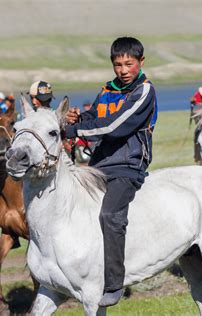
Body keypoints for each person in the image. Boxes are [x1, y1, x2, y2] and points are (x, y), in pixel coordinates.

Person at [65, 37, 157, 306]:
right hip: (100, 164)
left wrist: (72, 130)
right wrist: (79, 119)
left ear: (141, 62)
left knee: (109, 215)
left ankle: (114, 282)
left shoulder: (144, 91)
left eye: (129, 64)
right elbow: (95, 118)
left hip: (129, 165)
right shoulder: (108, 90)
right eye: (118, 64)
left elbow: (115, 126)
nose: (123, 70)